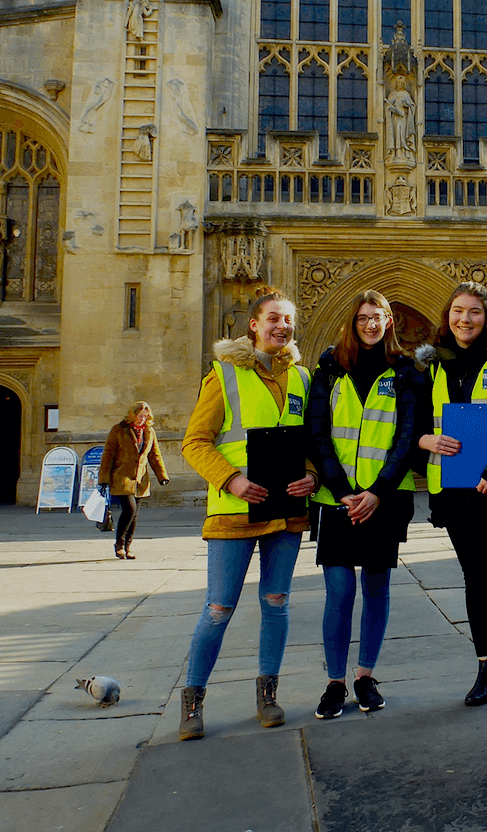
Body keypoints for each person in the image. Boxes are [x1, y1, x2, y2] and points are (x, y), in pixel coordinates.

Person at [177, 290, 320, 740]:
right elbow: (194, 441)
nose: (283, 326)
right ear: (254, 325)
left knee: (276, 604)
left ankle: (267, 694)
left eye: (289, 320)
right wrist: (232, 479)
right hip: (236, 510)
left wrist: (312, 476)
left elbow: (313, 443)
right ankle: (193, 701)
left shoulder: (302, 378)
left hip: (285, 513)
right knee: (219, 608)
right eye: (274, 319)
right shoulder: (223, 374)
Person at [414, 282, 487, 706]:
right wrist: (425, 441)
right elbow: (412, 427)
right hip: (454, 492)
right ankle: (486, 666)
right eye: (458, 311)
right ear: (448, 316)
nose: (465, 319)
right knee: (474, 580)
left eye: (474, 312)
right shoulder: (431, 368)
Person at [307, 289, 419, 720]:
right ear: (351, 322)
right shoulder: (330, 368)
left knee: (376, 589)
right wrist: (340, 490)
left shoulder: (405, 370)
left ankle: (364, 676)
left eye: (379, 317)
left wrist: (377, 492)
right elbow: (316, 431)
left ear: (389, 321)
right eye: (363, 318)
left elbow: (407, 437)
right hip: (336, 499)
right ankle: (335, 681)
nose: (371, 324)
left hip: (383, 500)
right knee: (339, 591)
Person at [99, 401, 170, 559]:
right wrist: (103, 478)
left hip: (140, 478)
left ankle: (127, 546)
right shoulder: (118, 430)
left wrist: (162, 476)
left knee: (135, 514)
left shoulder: (149, 432)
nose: (142, 419)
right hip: (121, 476)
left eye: (145, 416)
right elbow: (108, 455)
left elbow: (154, 455)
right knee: (129, 509)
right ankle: (119, 544)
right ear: (133, 414)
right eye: (140, 416)